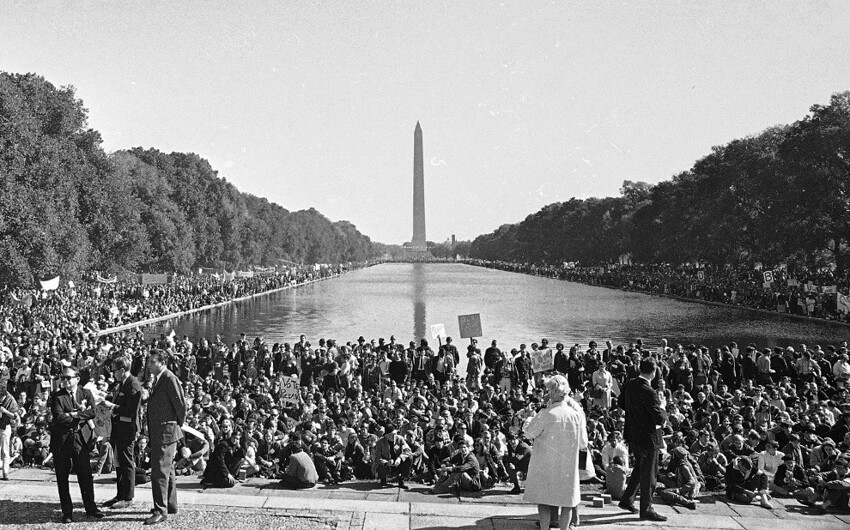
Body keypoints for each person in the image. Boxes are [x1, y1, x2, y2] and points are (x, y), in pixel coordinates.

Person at [523, 375, 587, 530]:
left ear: (552, 392)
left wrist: (528, 418)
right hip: (567, 465)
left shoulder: (546, 414)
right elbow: (583, 442)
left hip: (546, 463)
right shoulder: (576, 415)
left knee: (544, 499)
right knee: (567, 501)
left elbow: (528, 433)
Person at [49, 367, 104, 524]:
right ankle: (67, 512)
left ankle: (91, 508)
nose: (64, 380)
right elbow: (59, 417)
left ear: (77, 379)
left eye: (67, 377)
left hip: (80, 440)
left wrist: (73, 415)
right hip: (62, 440)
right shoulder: (57, 396)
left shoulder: (85, 393)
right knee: (62, 477)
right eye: (62, 377)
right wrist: (80, 416)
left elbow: (93, 412)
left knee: (85, 475)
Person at [618, 357, 667, 521]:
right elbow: (660, 419)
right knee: (650, 475)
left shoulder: (630, 384)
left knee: (639, 469)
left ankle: (627, 499)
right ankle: (646, 509)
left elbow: (621, 403)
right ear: (653, 373)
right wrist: (663, 406)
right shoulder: (650, 392)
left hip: (633, 435)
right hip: (648, 438)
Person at [144, 350, 186, 526]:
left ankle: (160, 510)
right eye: (149, 361)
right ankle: (170, 504)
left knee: (159, 472)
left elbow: (181, 406)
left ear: (162, 362)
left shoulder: (169, 378)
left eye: (153, 362)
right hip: (161, 431)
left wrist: (176, 425)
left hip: (166, 432)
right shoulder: (159, 379)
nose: (149, 365)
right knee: (168, 470)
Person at [102, 357, 143, 510]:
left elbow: (131, 411)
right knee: (118, 461)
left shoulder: (132, 385)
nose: (113, 374)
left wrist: (112, 406)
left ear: (122, 370)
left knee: (126, 461)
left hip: (127, 429)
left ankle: (128, 496)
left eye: (114, 371)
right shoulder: (122, 384)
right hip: (118, 427)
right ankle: (120, 494)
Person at [371, 423, 412, 489]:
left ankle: (401, 479)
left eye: (395, 434)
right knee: (379, 465)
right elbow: (377, 458)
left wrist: (400, 458)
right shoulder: (379, 442)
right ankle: (383, 478)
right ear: (386, 435)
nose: (394, 436)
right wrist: (386, 462)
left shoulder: (400, 439)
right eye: (391, 435)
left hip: (398, 463)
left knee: (409, 458)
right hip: (387, 464)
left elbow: (408, 450)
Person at [0, 381, 20, 481]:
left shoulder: (10, 400)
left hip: (5, 425)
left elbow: (15, 416)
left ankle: (5, 472)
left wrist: (5, 411)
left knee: (5, 450)